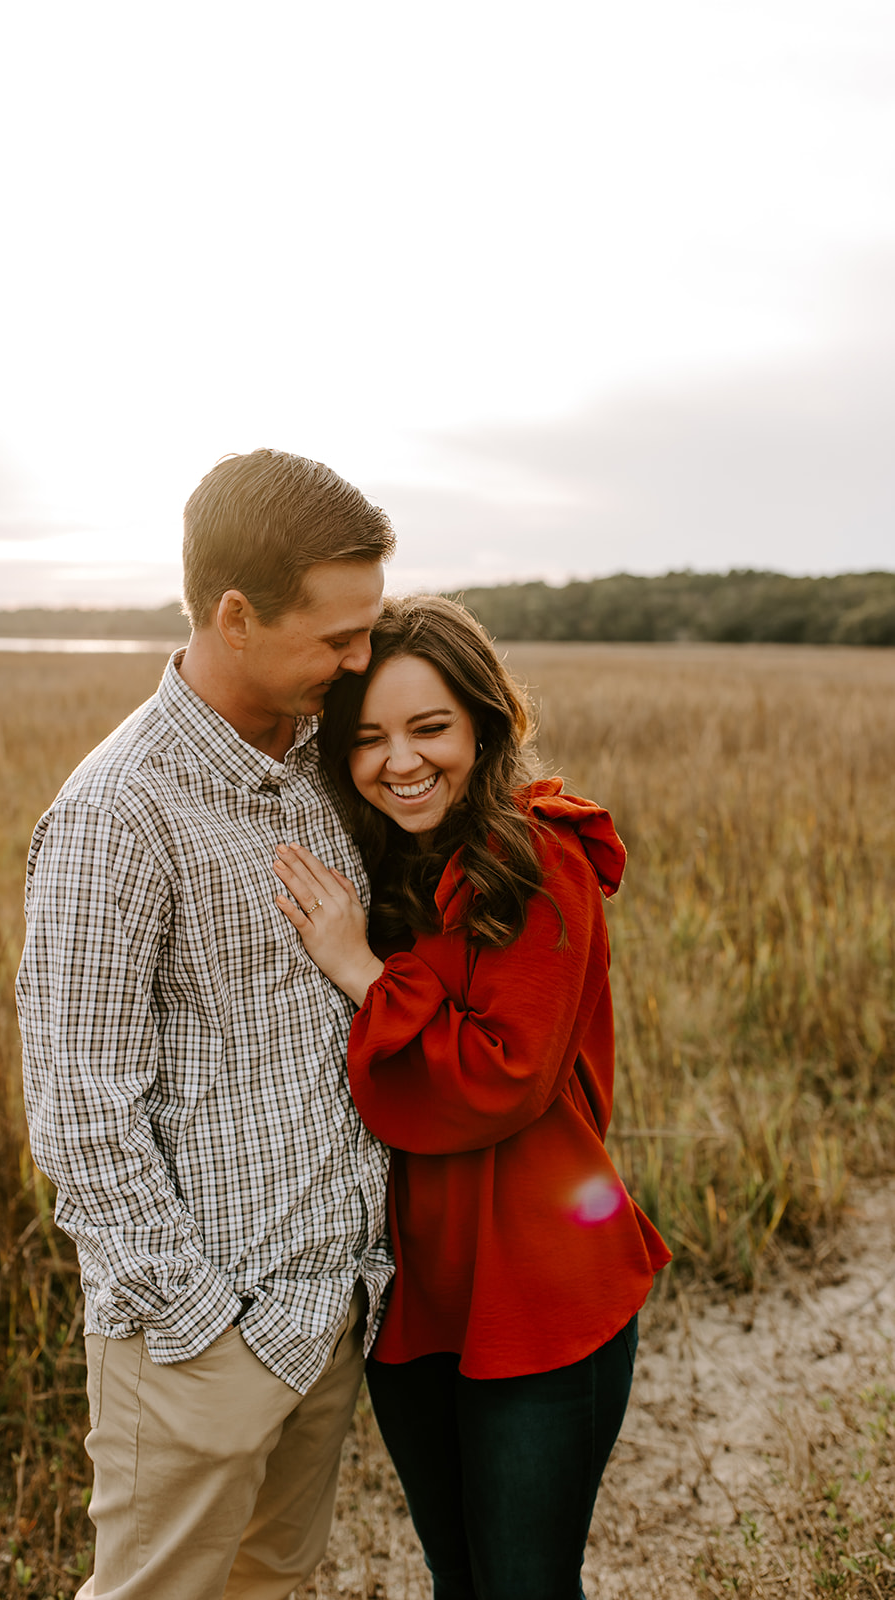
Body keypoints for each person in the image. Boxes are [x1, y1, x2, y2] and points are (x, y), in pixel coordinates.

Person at [16, 449, 398, 1600]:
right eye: (337, 637)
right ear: (235, 614)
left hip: (329, 1308)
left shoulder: (325, 764)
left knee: (270, 1588)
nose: (363, 660)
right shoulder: (114, 814)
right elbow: (81, 1116)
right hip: (200, 1341)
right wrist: (200, 1328)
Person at [272, 594, 671, 1600]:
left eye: (430, 727)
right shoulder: (389, 865)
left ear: (486, 724)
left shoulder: (538, 859)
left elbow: (502, 1075)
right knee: (462, 1582)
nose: (401, 760)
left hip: (540, 1289)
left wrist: (365, 974)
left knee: (526, 1587)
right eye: (368, 737)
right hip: (419, 1294)